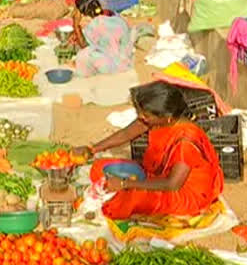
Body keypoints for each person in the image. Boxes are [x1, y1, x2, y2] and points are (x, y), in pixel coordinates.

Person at [73, 81, 224, 220]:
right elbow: (126, 134)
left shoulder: (185, 141)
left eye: (145, 115)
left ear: (168, 117)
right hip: (157, 175)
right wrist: (92, 149)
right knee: (100, 167)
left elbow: (172, 184)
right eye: (140, 112)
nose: (141, 117)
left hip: (182, 193)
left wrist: (124, 184)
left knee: (120, 204)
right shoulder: (158, 120)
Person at [70, 0, 139, 77]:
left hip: (116, 64)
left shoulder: (96, 25)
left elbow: (84, 46)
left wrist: (76, 25)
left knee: (83, 56)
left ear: (82, 14)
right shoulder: (109, 14)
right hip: (125, 55)